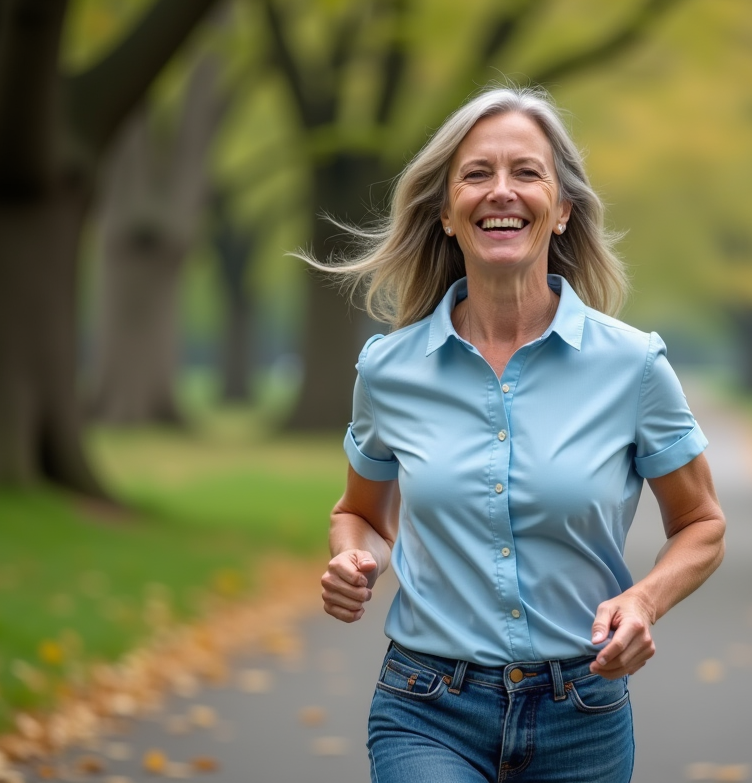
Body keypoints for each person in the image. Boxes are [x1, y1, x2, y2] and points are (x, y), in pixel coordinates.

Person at [310, 86, 725, 783]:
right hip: (425, 708)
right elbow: (359, 513)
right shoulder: (390, 369)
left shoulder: (633, 365)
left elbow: (703, 525)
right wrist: (356, 560)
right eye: (477, 174)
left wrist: (643, 600)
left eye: (526, 172)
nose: (501, 191)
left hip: (582, 714)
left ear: (562, 209)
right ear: (445, 211)